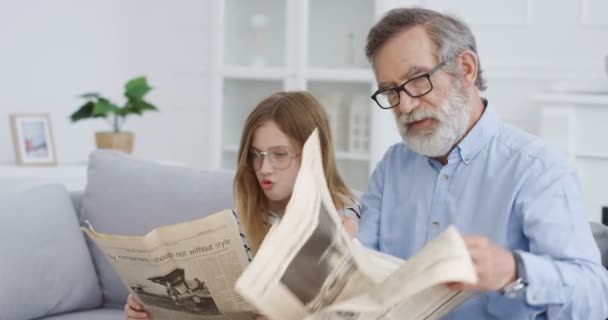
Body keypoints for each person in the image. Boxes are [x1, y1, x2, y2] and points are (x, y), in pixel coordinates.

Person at [357, 7, 608, 319]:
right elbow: (359, 269)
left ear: (466, 68)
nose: (405, 105)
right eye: (390, 91)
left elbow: (594, 297)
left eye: (418, 80)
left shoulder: (538, 169)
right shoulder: (392, 167)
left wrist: (514, 271)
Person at [125, 91, 360, 319]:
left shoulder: (348, 222)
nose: (264, 168)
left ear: (313, 155)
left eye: (279, 154)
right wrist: (152, 311)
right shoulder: (242, 220)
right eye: (256, 154)